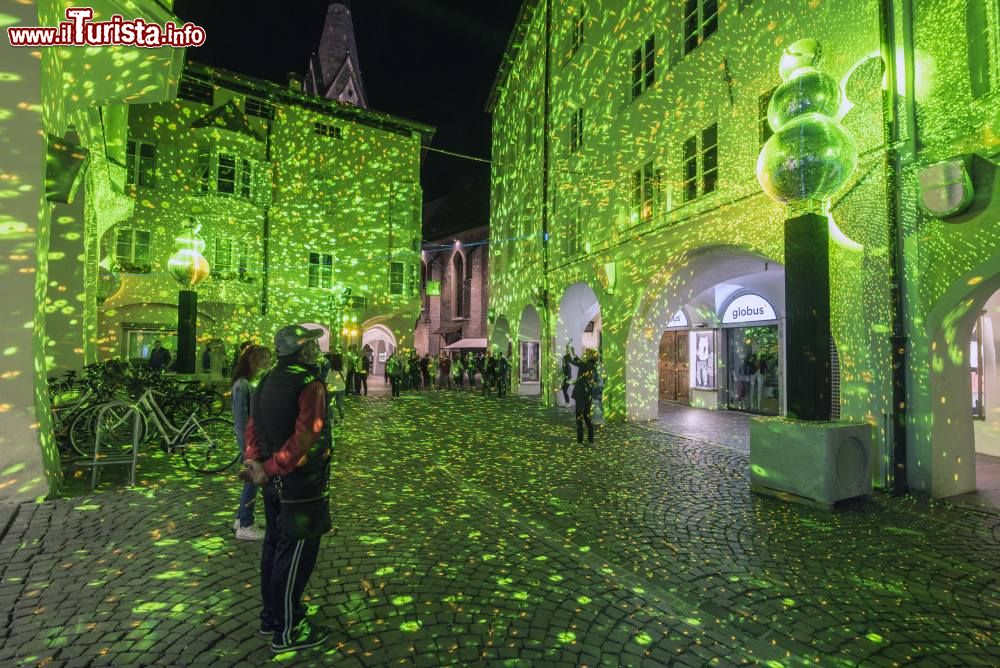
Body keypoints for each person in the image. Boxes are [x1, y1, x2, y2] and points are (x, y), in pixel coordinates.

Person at [244, 325, 334, 653]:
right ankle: (288, 630)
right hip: (301, 485)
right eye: (312, 343)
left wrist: (256, 463)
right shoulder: (310, 384)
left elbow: (253, 427)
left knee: (274, 549)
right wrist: (268, 467)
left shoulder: (266, 380)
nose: (317, 348)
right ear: (303, 350)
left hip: (272, 484)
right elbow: (305, 439)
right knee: (295, 556)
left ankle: (272, 616)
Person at [231, 345, 272, 541]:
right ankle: (245, 524)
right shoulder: (242, 385)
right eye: (263, 358)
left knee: (251, 481)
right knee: (253, 481)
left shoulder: (253, 383)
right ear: (252, 360)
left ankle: (241, 518)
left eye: (269, 357)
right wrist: (248, 449)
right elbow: (240, 421)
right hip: (250, 443)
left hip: (254, 441)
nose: (267, 361)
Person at [569, 347, 599, 444]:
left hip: (581, 394)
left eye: (587, 353)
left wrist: (569, 355)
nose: (585, 355)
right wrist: (574, 354)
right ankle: (590, 440)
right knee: (587, 416)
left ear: (590, 356)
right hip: (588, 394)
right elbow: (580, 363)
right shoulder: (592, 366)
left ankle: (580, 441)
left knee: (579, 417)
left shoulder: (585, 365)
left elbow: (574, 362)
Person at [325, 353, 346, 422]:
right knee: (340, 405)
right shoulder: (344, 369)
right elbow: (344, 378)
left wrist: (326, 389)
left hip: (332, 389)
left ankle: (331, 422)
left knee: (331, 406)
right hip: (341, 388)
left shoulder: (331, 370)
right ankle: (342, 420)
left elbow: (327, 380)